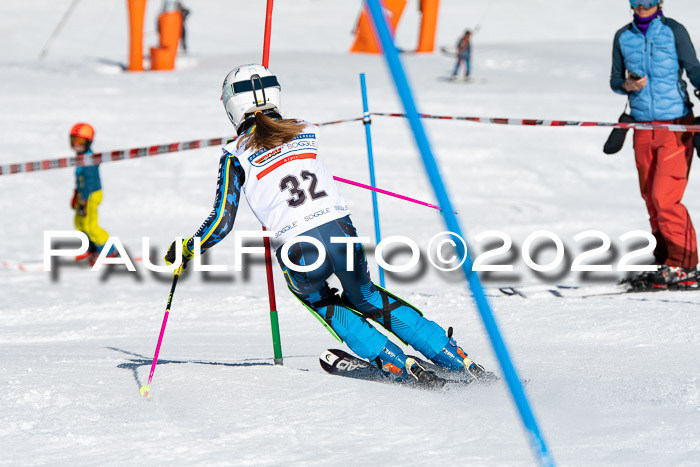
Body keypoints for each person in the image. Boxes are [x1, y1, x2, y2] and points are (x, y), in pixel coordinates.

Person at [164, 64, 495, 387]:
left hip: (298, 245)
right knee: (366, 296)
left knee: (322, 300)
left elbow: (222, 221)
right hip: (340, 230)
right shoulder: (307, 129)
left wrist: (188, 247)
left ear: (232, 106)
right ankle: (454, 356)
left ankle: (396, 362)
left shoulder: (234, 154)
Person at [610, 0, 700, 289]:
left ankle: (685, 264)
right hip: (641, 127)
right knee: (650, 197)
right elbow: (614, 80)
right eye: (636, 1)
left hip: (675, 126)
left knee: (666, 197)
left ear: (660, 3)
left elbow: (694, 70)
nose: (642, 6)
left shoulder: (674, 31)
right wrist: (627, 85)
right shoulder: (623, 36)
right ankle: (665, 260)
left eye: (648, 1)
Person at [69, 123, 114, 264]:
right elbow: (80, 180)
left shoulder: (90, 159)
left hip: (91, 195)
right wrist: (76, 195)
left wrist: (84, 199)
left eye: (80, 141)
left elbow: (88, 181)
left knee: (90, 225)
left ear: (88, 142)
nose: (76, 144)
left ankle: (108, 251)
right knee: (79, 223)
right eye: (73, 140)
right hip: (83, 195)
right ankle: (91, 248)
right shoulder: (80, 157)